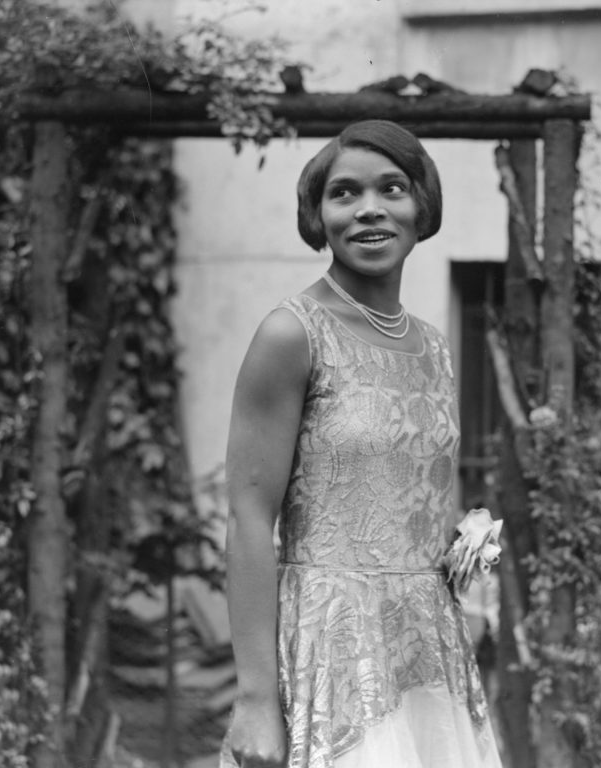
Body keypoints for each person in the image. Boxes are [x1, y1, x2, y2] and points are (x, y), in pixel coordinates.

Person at [220, 120, 503, 768]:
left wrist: (476, 591)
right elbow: (247, 518)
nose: (369, 209)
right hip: (331, 646)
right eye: (344, 193)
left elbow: (439, 500)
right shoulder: (291, 335)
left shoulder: (434, 346)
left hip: (430, 654)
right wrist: (256, 699)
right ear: (317, 216)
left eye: (392, 188)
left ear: (421, 207)